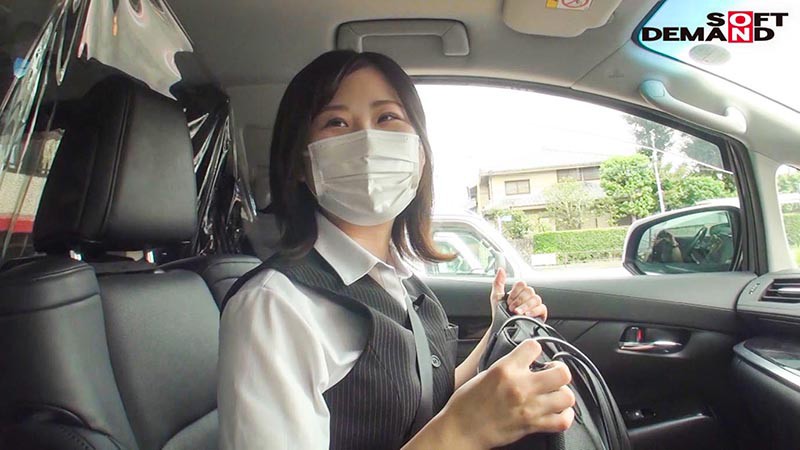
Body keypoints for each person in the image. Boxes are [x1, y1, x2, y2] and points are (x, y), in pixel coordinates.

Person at [218, 50, 575, 450]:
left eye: (388, 117)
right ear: (300, 163)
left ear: (419, 154)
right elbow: (452, 426)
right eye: (336, 122)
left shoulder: (401, 281)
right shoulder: (273, 305)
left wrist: (498, 328)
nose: (368, 142)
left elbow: (424, 402)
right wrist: (463, 431)